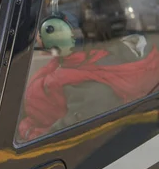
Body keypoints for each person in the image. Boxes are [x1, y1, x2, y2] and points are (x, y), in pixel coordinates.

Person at [18, 13, 159, 141]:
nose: (39, 40)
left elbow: (56, 141)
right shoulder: (82, 59)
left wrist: (26, 131)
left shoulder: (92, 87)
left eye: (48, 33)